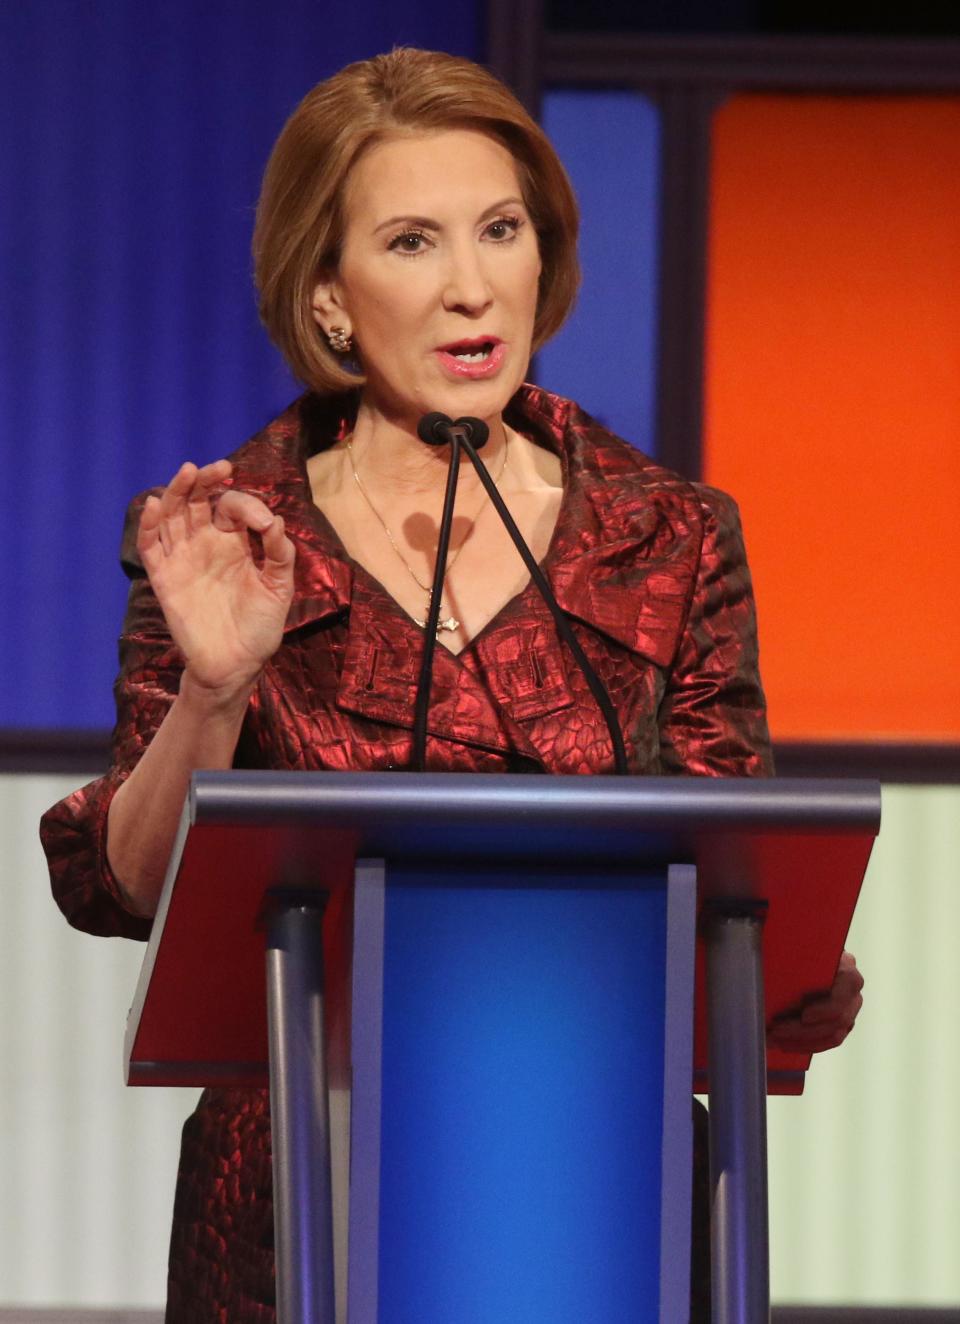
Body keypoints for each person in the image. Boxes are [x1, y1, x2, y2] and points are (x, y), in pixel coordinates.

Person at [40, 47, 863, 1323]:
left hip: (599, 1194)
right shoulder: (230, 540)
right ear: (328, 296)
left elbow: (733, 884)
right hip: (297, 1215)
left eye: (501, 230)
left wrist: (798, 967)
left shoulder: (672, 539)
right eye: (414, 242)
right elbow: (121, 886)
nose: (472, 288)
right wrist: (216, 689)